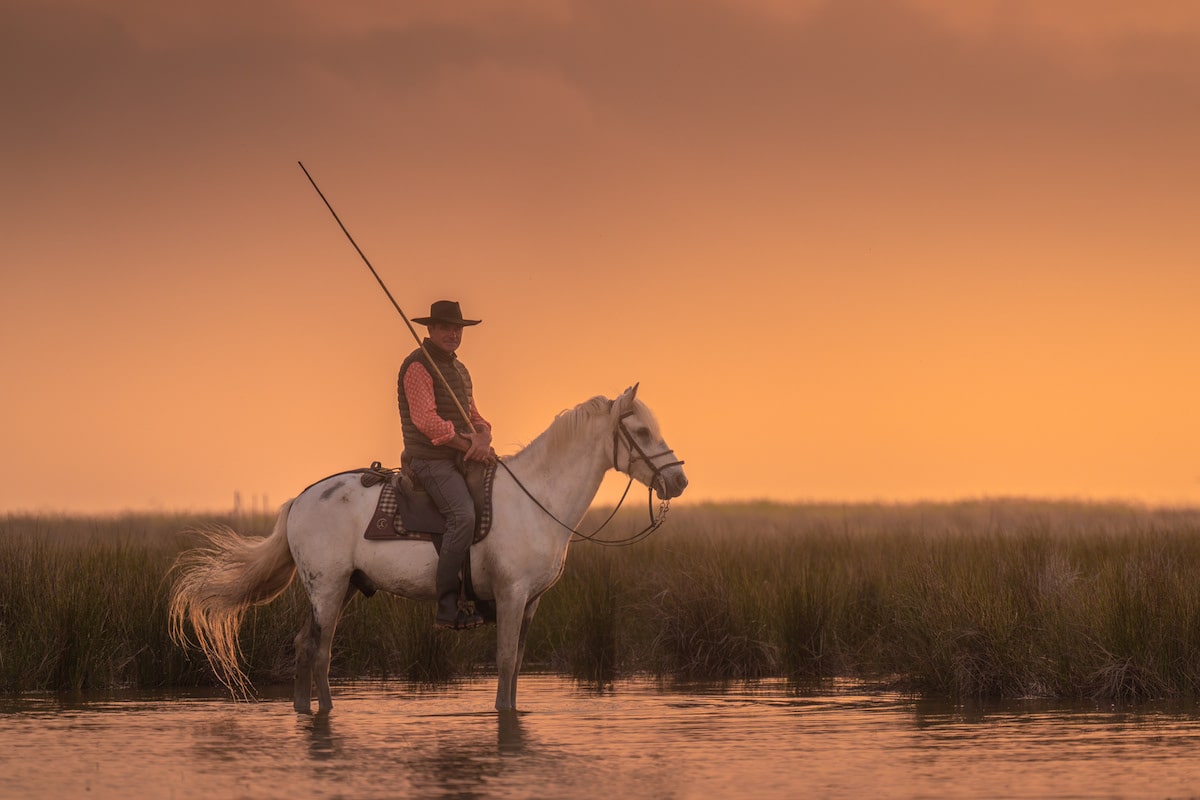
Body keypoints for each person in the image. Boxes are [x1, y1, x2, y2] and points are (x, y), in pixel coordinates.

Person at [397, 300, 495, 630]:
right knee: (463, 515)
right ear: (430, 329)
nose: (453, 333)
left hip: (461, 456)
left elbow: (475, 416)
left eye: (458, 328)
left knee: (497, 503)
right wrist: (468, 444)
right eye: (445, 327)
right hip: (430, 460)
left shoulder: (459, 370)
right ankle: (447, 607)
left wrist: (483, 435)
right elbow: (426, 421)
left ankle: (482, 593)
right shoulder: (417, 367)